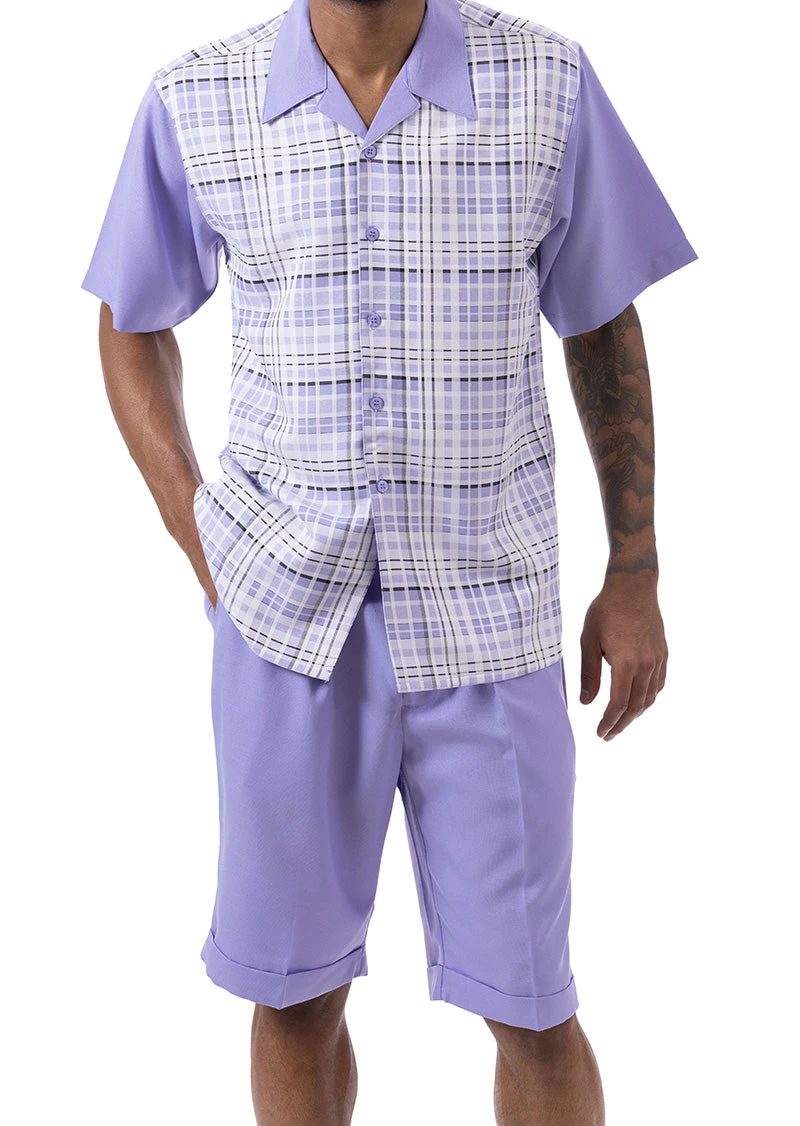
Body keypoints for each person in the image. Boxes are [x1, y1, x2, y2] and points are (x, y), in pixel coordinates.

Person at [81, 0, 698, 1121]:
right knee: (293, 997)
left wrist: (636, 570)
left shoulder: (548, 83)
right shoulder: (196, 99)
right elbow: (130, 319)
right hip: (285, 624)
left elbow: (601, 322)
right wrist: (197, 527)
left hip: (490, 614)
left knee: (533, 1006)